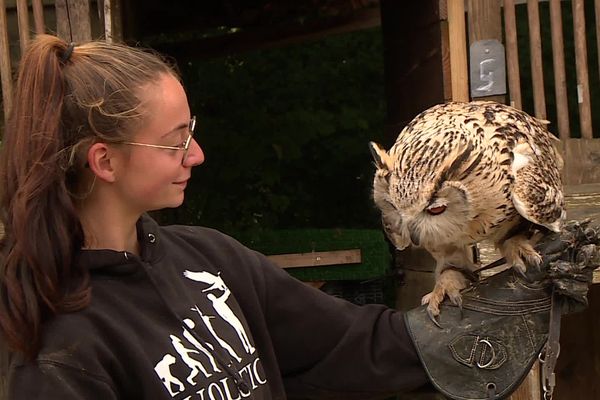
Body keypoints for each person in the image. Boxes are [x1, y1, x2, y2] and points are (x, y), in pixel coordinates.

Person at [0, 34, 595, 400]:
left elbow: (354, 344)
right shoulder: (56, 349)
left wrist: (516, 300)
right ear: (104, 161)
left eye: (194, 132)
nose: (198, 155)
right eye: (177, 140)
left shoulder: (209, 260)